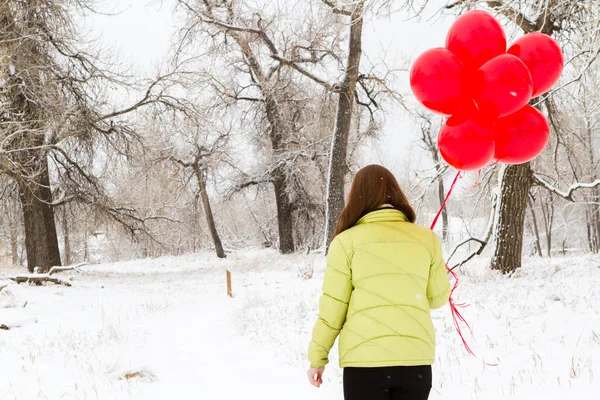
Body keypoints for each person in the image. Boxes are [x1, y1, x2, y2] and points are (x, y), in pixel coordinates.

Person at [307, 164, 451, 400]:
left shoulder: (345, 243)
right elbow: (437, 298)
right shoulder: (426, 239)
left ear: (356, 198)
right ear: (396, 194)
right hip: (414, 361)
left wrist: (317, 358)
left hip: (364, 364)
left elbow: (332, 310)